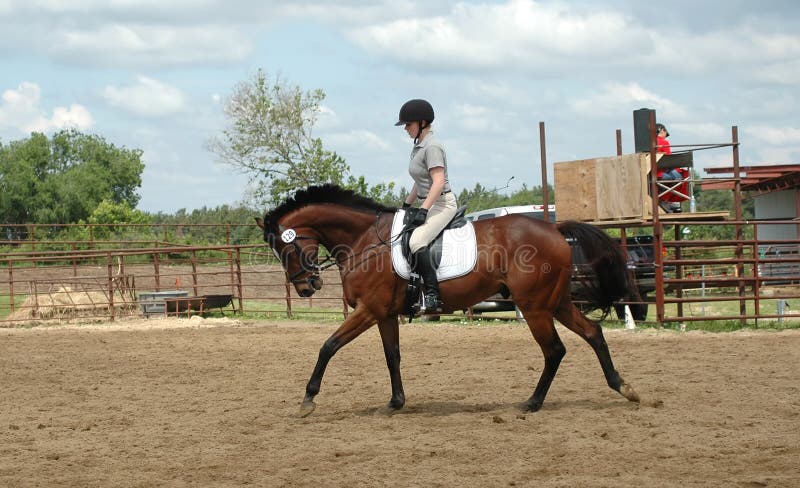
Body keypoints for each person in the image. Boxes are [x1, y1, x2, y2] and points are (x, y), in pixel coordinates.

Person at [396, 99, 458, 313]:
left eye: (408, 124)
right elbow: (420, 181)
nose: (405, 128)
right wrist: (405, 205)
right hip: (430, 202)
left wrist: (423, 210)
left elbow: (438, 181)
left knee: (416, 241)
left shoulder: (432, 146)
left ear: (422, 123)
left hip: (442, 203)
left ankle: (432, 295)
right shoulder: (419, 147)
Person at [654, 123, 687, 212]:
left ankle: (663, 198)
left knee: (673, 177)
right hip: (660, 173)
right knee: (678, 178)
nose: (665, 136)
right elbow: (669, 161)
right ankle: (668, 200)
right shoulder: (664, 142)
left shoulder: (648, 143)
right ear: (662, 131)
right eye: (665, 134)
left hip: (651, 173)